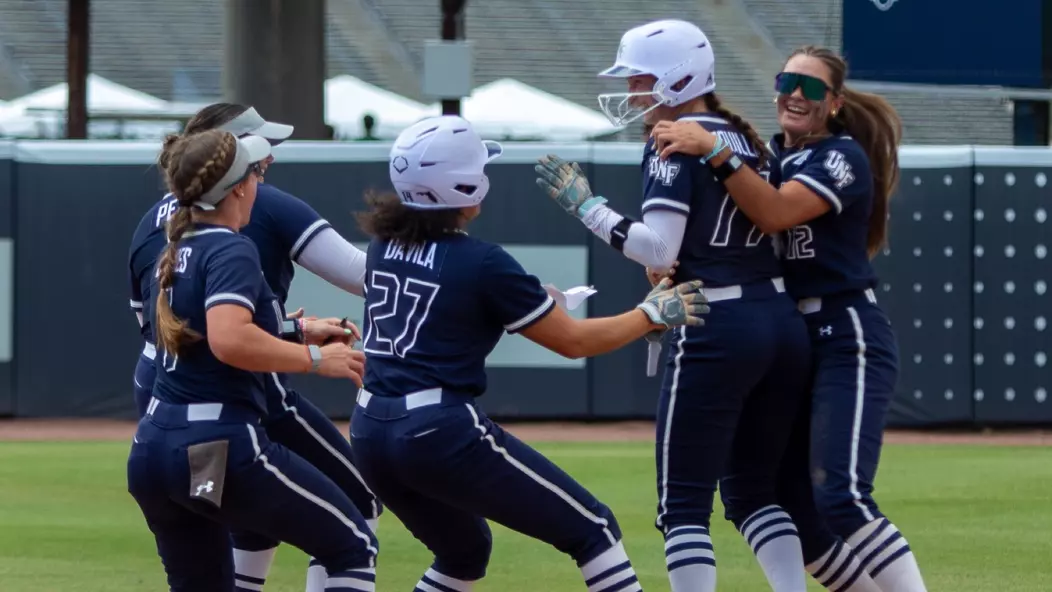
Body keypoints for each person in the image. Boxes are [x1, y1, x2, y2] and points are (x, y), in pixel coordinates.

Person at [349, 114, 707, 592]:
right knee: (594, 529)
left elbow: (451, 306)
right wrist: (649, 314)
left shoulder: (382, 246)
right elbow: (573, 342)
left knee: (463, 552)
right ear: (465, 187)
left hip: (369, 430)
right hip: (436, 430)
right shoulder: (482, 262)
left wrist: (526, 301)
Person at [533, 19, 819, 592]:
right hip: (780, 322)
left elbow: (659, 248)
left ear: (678, 77)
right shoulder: (743, 138)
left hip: (715, 322)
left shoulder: (672, 139)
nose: (632, 91)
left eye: (640, 79)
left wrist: (588, 208)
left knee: (683, 506)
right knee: (755, 494)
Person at [650, 45, 927, 592]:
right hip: (791, 335)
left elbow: (775, 212)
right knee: (789, 504)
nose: (797, 94)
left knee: (841, 495)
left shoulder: (840, 156)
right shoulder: (768, 155)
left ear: (835, 103)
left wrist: (713, 149)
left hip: (845, 332)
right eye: (787, 82)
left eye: (813, 87)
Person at [126, 103, 380, 591]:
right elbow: (227, 338)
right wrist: (314, 358)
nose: (266, 170)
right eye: (254, 166)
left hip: (153, 440)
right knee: (352, 542)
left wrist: (289, 330)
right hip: (216, 435)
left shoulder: (168, 235)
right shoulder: (231, 243)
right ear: (237, 184)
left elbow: (169, 327)